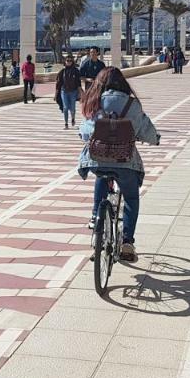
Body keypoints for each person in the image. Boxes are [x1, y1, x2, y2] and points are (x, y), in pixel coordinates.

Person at [78, 68, 160, 263]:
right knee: (131, 197)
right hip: (125, 160)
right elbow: (145, 129)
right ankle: (127, 242)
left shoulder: (95, 101)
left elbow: (85, 131)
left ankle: (95, 218)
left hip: (97, 158)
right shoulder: (132, 104)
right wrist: (154, 139)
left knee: (101, 176)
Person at [55, 53, 82, 128]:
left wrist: (80, 92)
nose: (69, 62)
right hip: (64, 91)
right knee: (65, 107)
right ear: (65, 61)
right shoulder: (62, 72)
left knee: (72, 108)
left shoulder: (76, 71)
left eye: (70, 61)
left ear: (72, 62)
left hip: (73, 92)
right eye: (67, 60)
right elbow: (58, 84)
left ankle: (73, 118)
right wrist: (56, 94)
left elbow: (78, 83)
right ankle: (66, 123)